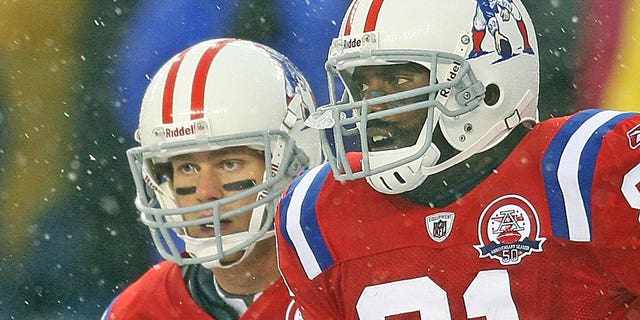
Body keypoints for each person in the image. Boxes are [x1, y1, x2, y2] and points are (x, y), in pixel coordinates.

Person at [275, 0, 640, 319]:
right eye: (362, 86)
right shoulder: (318, 212)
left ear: (488, 84)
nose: (372, 109)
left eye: (399, 79)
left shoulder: (587, 172)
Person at [101, 38, 322, 319]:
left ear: (296, 162)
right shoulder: (137, 310)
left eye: (229, 164)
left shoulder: (350, 279)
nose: (206, 192)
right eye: (188, 168)